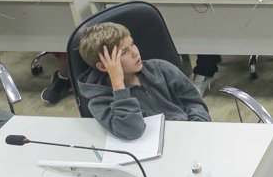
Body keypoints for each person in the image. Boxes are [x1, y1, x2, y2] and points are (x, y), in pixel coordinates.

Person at [75, 22, 210, 140]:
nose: (135, 52)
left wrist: (196, 128)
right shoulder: (99, 100)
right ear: (104, 66)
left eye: (133, 44)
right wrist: (118, 86)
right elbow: (132, 131)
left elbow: (194, 103)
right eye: (124, 52)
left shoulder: (161, 68)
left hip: (188, 134)